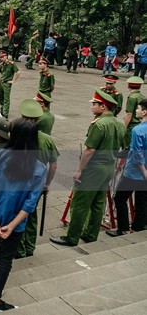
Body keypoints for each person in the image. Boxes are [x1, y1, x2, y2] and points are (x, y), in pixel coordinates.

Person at [0, 119, 46, 312]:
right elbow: (30, 203)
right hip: (15, 222)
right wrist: (11, 225)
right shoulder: (38, 167)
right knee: (5, 259)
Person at [51, 89, 125, 246]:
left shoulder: (98, 125)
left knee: (80, 203)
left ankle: (71, 237)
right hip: (109, 167)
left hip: (93, 169)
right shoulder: (119, 124)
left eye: (94, 104)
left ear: (103, 106)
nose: (92, 107)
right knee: (98, 203)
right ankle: (91, 234)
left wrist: (79, 170)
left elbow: (89, 150)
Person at [15, 99, 60, 259]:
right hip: (38, 184)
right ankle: (30, 247)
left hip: (19, 182)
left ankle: (19, 249)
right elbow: (53, 165)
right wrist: (47, 183)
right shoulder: (47, 139)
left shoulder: (17, 134)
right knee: (31, 214)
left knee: (18, 214)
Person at [108, 98, 147, 236]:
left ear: (144, 112)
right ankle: (138, 227)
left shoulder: (138, 130)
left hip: (135, 172)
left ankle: (123, 228)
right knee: (142, 200)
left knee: (120, 198)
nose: (136, 110)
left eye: (138, 108)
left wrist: (144, 172)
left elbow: (137, 155)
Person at [122, 76, 145, 148]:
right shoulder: (142, 96)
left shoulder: (132, 97)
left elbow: (129, 114)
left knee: (127, 145)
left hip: (132, 125)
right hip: (141, 123)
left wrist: (124, 127)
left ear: (128, 86)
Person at [0, 51, 20, 119]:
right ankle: (1, 110)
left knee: (6, 98)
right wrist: (0, 78)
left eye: (2, 57)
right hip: (1, 82)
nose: (1, 58)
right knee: (1, 97)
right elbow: (1, 72)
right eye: (0, 57)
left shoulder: (11, 64)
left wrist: (14, 81)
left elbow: (18, 72)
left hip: (7, 83)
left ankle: (5, 113)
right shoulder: (2, 64)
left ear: (5, 56)